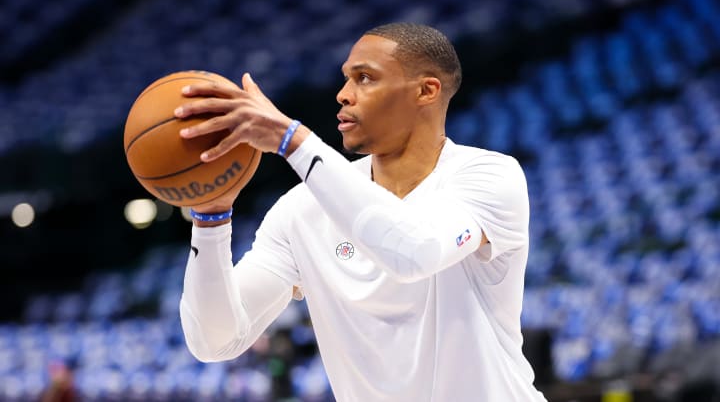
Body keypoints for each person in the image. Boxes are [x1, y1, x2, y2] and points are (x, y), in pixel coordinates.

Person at [175, 22, 548, 401]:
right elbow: (213, 341)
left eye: (364, 78)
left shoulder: (487, 176)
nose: (342, 95)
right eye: (345, 79)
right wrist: (211, 217)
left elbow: (415, 252)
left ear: (426, 90)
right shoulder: (302, 209)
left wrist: (293, 141)